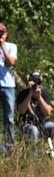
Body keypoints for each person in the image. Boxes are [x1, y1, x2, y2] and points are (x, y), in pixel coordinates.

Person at [17, 71, 54, 163]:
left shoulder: (44, 93)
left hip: (44, 124)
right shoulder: (23, 94)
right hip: (28, 124)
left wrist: (39, 97)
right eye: (34, 81)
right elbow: (21, 110)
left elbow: (48, 112)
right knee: (33, 130)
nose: (36, 84)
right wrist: (29, 93)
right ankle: (34, 162)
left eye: (38, 81)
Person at [0, 22, 18, 153]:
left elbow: (11, 62)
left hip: (8, 86)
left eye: (1, 33)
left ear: (6, 34)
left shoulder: (11, 46)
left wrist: (2, 45)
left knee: (9, 117)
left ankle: (10, 146)